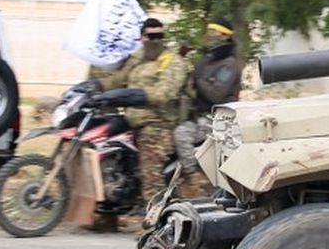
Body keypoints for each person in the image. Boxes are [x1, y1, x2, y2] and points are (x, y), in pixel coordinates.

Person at [102, 18, 189, 229]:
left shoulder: (172, 61)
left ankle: (158, 224)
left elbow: (165, 93)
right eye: (151, 36)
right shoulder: (138, 58)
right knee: (101, 143)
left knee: (150, 172)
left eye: (160, 36)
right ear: (141, 37)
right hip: (132, 120)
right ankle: (105, 213)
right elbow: (118, 79)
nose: (155, 41)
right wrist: (94, 88)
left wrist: (133, 95)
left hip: (158, 123)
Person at [173, 18, 242, 198]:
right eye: (209, 32)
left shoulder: (229, 64)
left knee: (182, 135)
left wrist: (198, 79)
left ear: (226, 37)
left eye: (215, 33)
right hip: (199, 116)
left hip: (218, 120)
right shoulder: (206, 60)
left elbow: (216, 94)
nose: (209, 37)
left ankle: (197, 182)